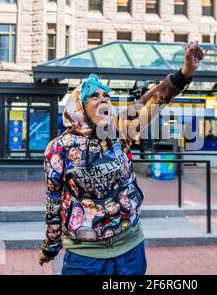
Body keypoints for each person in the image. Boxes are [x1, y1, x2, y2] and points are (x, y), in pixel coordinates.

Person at [38, 41, 204, 275]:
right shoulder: (58, 149)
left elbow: (150, 101)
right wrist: (51, 245)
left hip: (130, 248)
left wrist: (185, 73)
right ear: (79, 107)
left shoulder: (119, 131)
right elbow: (53, 201)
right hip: (86, 256)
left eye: (106, 95)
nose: (104, 98)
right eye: (94, 96)